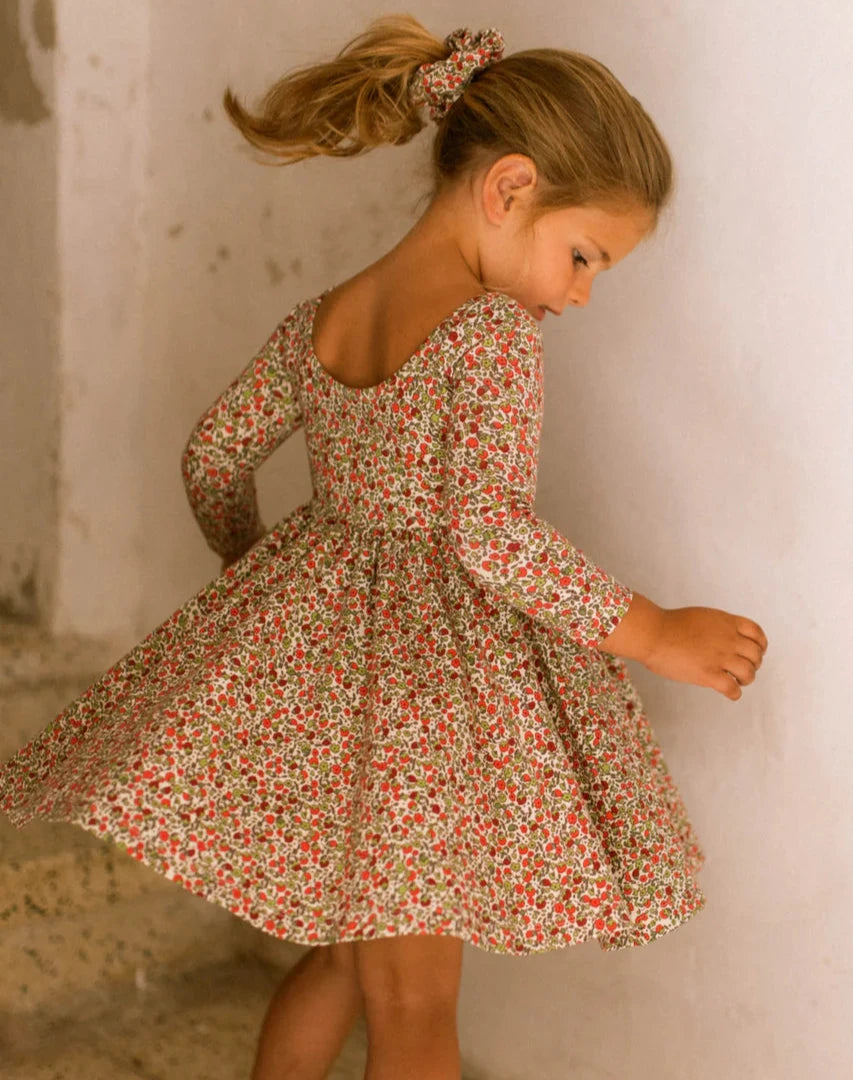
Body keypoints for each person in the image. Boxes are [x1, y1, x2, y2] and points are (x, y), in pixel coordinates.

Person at [0, 14, 768, 1080]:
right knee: (412, 1004)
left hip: (333, 684)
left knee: (340, 961)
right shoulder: (492, 333)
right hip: (425, 707)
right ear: (509, 188)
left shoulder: (323, 318)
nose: (578, 293)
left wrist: (264, 589)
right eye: (583, 256)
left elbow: (213, 459)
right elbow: (489, 531)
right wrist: (654, 632)